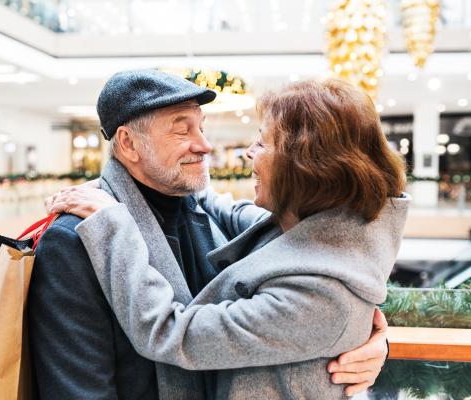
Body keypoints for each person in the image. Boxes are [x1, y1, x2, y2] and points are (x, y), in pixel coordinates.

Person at [46, 75, 407, 399]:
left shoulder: (224, 229)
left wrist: (362, 336)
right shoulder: (74, 239)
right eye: (183, 130)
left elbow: (311, 316)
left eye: (201, 128)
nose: (206, 146)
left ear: (306, 169)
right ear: (127, 143)